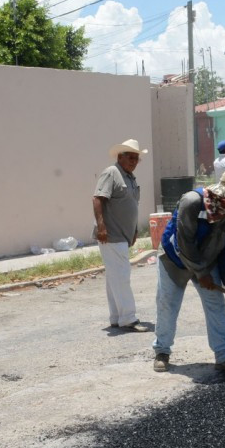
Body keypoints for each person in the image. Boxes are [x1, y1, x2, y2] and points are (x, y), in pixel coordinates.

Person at [152, 170, 225, 375]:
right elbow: (184, 241)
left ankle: (224, 356)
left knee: (216, 305)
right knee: (167, 303)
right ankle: (162, 351)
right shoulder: (192, 202)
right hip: (174, 259)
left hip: (208, 260)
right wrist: (201, 273)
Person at [92, 139, 149, 332]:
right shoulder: (111, 172)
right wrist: (101, 226)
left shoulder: (130, 177)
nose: (133, 161)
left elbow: (131, 205)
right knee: (122, 276)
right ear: (120, 157)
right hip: (111, 234)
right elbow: (98, 199)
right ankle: (129, 318)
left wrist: (134, 230)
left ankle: (117, 317)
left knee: (114, 277)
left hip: (122, 235)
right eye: (130, 157)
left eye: (136, 158)